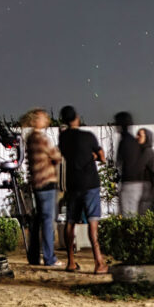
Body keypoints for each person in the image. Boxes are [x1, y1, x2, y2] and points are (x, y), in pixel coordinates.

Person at [58, 105, 108, 274]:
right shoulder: (88, 136)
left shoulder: (63, 139)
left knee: (70, 222)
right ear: (77, 118)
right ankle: (98, 262)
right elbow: (102, 156)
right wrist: (93, 156)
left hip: (73, 184)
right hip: (90, 183)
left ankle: (71, 262)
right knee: (92, 223)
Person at [23, 108, 62, 268]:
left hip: (37, 182)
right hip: (46, 182)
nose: (47, 119)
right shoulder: (41, 138)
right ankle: (49, 258)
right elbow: (56, 156)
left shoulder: (30, 137)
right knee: (47, 221)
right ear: (35, 121)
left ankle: (33, 256)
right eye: (43, 117)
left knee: (38, 220)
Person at [114, 111, 145, 216]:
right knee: (134, 215)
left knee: (127, 216)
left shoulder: (124, 141)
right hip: (139, 183)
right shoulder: (134, 141)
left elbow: (119, 162)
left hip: (128, 182)